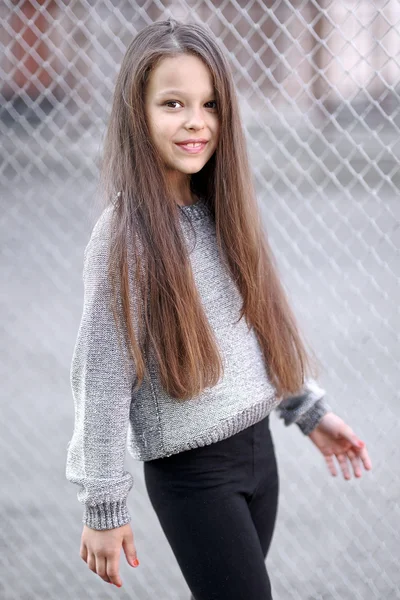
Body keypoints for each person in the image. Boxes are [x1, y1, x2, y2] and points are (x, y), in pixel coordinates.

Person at [65, 17, 372, 600]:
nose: (195, 122)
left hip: (259, 455)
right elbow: (101, 377)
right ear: (138, 113)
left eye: (209, 104)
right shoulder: (125, 237)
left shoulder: (222, 210)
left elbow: (257, 323)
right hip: (193, 473)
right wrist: (103, 506)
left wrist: (307, 407)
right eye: (173, 103)